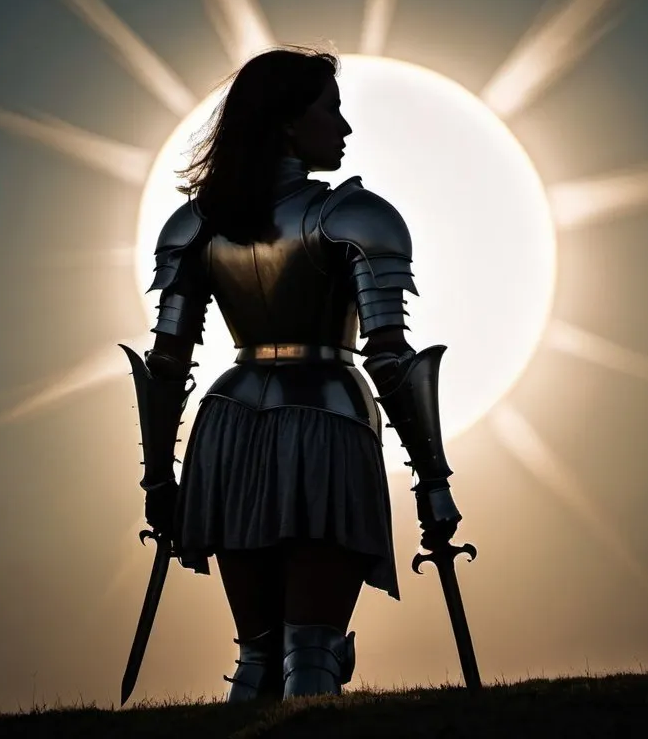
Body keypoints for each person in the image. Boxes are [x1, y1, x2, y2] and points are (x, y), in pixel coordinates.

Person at [130, 46, 462, 700]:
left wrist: (159, 479)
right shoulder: (355, 216)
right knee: (309, 652)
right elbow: (390, 360)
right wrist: (433, 479)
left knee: (257, 658)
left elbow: (167, 363)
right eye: (330, 111)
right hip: (326, 422)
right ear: (287, 121)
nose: (343, 129)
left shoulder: (197, 224)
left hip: (227, 427)